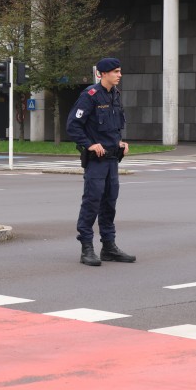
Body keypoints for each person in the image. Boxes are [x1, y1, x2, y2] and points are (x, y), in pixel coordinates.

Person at [66, 57, 136, 266]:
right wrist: (89, 144)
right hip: (97, 161)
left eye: (119, 71)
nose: (119, 75)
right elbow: (73, 125)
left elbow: (114, 126)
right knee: (92, 203)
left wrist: (120, 142)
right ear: (103, 74)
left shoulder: (115, 95)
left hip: (113, 159)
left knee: (109, 204)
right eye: (115, 71)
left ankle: (109, 246)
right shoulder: (90, 96)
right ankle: (86, 248)